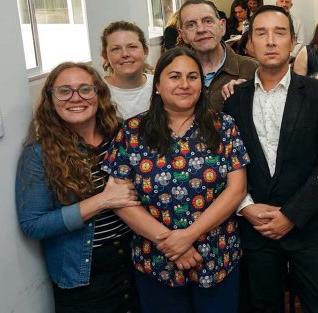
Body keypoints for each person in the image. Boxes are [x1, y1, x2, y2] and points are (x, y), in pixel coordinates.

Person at [102, 47, 249, 312]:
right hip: (157, 259)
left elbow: (236, 190)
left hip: (216, 255)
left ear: (201, 85)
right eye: (174, 76)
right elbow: (119, 198)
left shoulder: (224, 126)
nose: (184, 84)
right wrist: (171, 242)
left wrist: (189, 235)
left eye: (192, 77)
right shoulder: (132, 132)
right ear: (157, 85)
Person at [221, 6, 318, 312]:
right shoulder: (234, 100)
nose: (271, 41)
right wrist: (245, 207)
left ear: (293, 42)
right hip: (257, 229)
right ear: (250, 44)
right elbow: (227, 164)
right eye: (261, 33)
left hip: (309, 227)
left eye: (280, 33)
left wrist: (291, 215)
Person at [16, 62, 141, 313]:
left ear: (99, 94)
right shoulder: (39, 154)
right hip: (84, 276)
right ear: (51, 98)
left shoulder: (119, 135)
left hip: (134, 260)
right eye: (64, 91)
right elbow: (33, 224)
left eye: (85, 89)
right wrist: (103, 200)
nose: (76, 98)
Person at [178, 0, 258, 111]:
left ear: (222, 26)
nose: (201, 30)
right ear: (183, 35)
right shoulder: (174, 72)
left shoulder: (253, 69)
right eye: (191, 25)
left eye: (208, 21)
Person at [100, 21, 153, 118]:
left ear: (145, 51)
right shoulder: (97, 90)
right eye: (116, 49)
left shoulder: (159, 85)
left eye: (132, 47)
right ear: (105, 56)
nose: (125, 54)